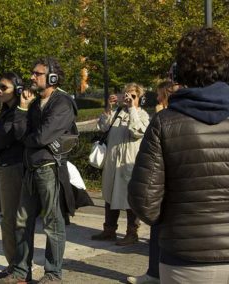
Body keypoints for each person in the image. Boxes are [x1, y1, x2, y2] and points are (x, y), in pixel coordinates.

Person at [128, 27, 229, 284]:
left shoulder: (165, 122)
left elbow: (145, 202)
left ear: (180, 70)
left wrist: (177, 223)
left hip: (184, 259)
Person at [0, 57, 78, 284]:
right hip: (30, 168)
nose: (32, 77)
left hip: (49, 169)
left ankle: (53, 273)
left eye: (37, 73)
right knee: (22, 221)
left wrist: (31, 138)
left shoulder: (62, 102)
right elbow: (21, 134)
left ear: (52, 77)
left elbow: (42, 136)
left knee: (52, 223)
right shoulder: (33, 105)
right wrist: (22, 108)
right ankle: (22, 271)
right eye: (33, 73)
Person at [127, 80, 180, 284]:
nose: (157, 98)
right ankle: (154, 273)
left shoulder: (166, 118)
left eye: (160, 95)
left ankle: (158, 274)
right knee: (156, 231)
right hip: (163, 183)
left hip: (169, 183)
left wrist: (160, 116)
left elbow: (151, 141)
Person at [0, 72, 35, 279]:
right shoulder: (5, 111)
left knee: (11, 220)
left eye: (3, 87)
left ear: (17, 90)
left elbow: (17, 135)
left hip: (13, 168)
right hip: (1, 167)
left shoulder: (22, 111)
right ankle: (15, 266)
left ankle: (19, 268)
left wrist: (22, 109)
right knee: (7, 219)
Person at [91, 83, 149, 246]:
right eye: (125, 95)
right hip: (112, 161)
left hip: (129, 162)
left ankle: (132, 233)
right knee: (110, 195)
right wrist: (109, 108)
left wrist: (132, 109)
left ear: (139, 98)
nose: (128, 98)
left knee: (130, 199)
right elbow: (102, 127)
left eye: (133, 95)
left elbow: (137, 132)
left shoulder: (142, 114)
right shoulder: (117, 113)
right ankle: (109, 230)